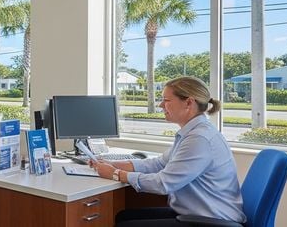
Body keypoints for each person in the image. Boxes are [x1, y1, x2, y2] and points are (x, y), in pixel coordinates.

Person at [90, 76, 245, 226]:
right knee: (123, 217)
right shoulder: (192, 132)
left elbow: (163, 184)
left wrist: (116, 174)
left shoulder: (199, 139)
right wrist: (115, 164)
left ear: (188, 103)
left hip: (213, 220)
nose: (160, 105)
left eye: (166, 100)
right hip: (199, 214)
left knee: (126, 224)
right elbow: (159, 163)